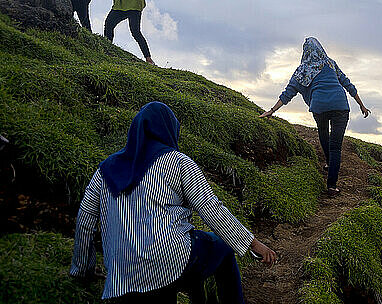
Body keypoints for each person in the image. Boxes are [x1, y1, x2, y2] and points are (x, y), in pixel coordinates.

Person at [70, 101, 276, 303]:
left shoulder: (105, 170)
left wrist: (81, 270)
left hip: (123, 271)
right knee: (219, 247)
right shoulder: (178, 162)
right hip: (169, 258)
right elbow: (211, 208)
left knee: (185, 257)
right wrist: (255, 245)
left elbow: (85, 221)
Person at [259, 37, 370, 195]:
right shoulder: (330, 63)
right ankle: (331, 185)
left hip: (320, 107)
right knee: (336, 147)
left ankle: (328, 162)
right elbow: (347, 84)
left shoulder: (303, 69)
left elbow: (288, 92)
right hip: (340, 105)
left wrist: (272, 110)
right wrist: (361, 105)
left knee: (323, 133)